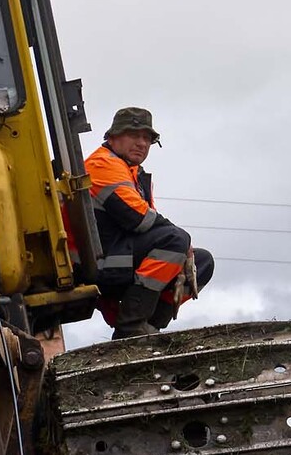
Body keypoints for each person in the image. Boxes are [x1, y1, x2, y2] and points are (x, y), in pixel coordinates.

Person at [84, 107, 214, 338]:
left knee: (202, 262)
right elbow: (139, 219)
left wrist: (184, 247)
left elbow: (149, 223)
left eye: (147, 138)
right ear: (112, 137)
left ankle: (151, 329)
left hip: (118, 257)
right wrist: (182, 243)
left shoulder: (132, 172)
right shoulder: (102, 164)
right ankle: (131, 328)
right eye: (134, 135)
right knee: (176, 242)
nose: (142, 143)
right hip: (97, 262)